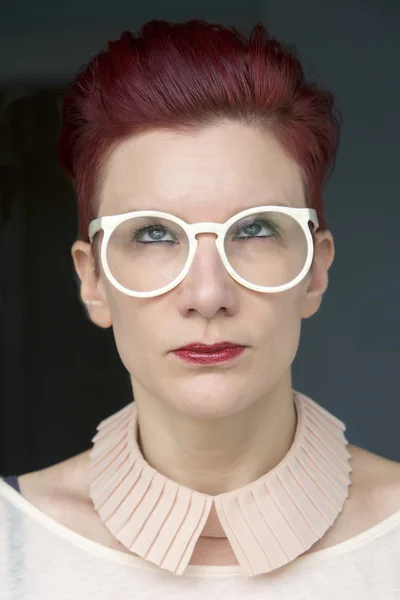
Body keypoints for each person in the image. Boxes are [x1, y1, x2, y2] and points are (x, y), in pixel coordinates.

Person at [1, 19, 399, 599]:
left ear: (314, 270)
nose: (208, 295)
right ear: (93, 280)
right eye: (155, 235)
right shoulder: (13, 544)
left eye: (257, 229)